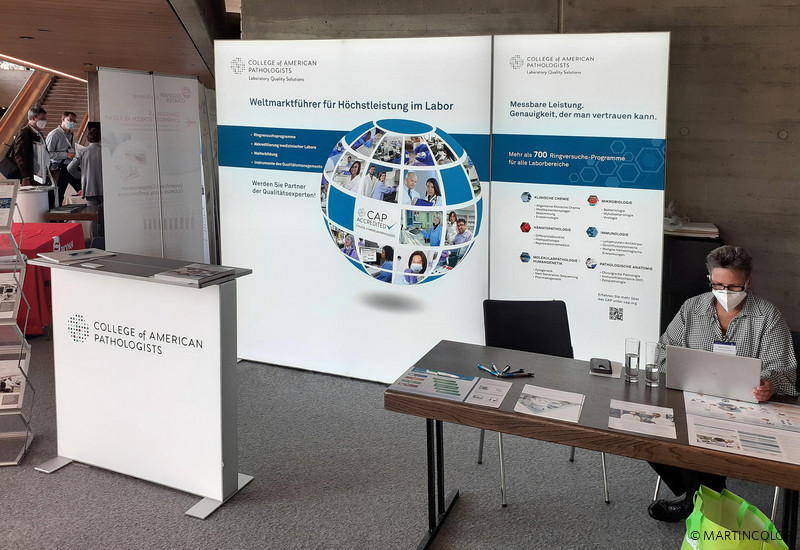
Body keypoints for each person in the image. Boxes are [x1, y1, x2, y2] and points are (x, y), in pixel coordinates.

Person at [647, 245, 798, 523]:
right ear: (710, 279)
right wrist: (678, 369)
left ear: (748, 283)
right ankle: (702, 495)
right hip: (692, 399)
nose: (725, 292)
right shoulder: (691, 309)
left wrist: (770, 384)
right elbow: (663, 352)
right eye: (718, 285)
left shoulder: (768, 316)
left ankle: (695, 502)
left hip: (745, 409)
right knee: (648, 431)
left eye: (733, 286)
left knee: (706, 435)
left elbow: (784, 369)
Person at [67, 127, 104, 237]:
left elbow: (70, 168)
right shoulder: (106, 151)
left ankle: (95, 240)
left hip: (89, 188)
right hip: (105, 188)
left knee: (93, 217)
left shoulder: (82, 151)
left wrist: (82, 176)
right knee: (106, 216)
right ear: (100, 138)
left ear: (88, 139)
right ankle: (106, 239)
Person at [47, 111, 81, 206]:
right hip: (59, 167)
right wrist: (66, 155)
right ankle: (55, 213)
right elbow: (48, 154)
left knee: (83, 186)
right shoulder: (54, 134)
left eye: (74, 121)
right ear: (63, 119)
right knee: (59, 194)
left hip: (72, 166)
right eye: (70, 120)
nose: (72, 123)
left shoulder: (73, 135)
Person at [12, 106, 49, 187]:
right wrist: (25, 177)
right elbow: (20, 156)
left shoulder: (38, 133)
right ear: (33, 118)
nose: (45, 121)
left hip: (39, 173)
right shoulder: (24, 133)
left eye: (45, 119)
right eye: (42, 118)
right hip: (30, 175)